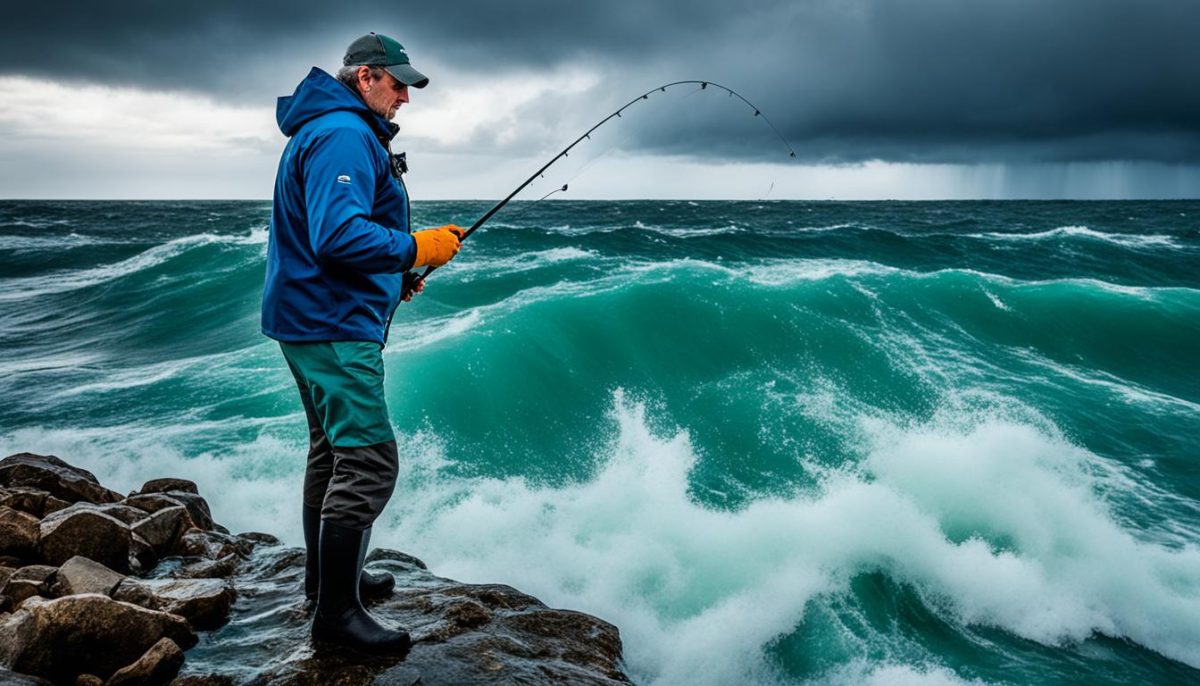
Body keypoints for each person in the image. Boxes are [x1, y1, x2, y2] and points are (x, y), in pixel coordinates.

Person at [261, 32, 463, 656]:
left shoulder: (330, 127)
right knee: (370, 462)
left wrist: (394, 275)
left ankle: (325, 584)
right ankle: (337, 620)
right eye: (398, 83)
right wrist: (417, 248)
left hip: (310, 318)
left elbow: (341, 239)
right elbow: (338, 236)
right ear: (367, 77)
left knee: (330, 452)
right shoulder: (344, 133)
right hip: (331, 325)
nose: (405, 96)